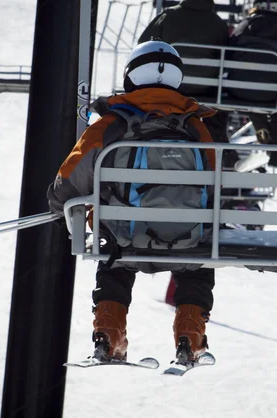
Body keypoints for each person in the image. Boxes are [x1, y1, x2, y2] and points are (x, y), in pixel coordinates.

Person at [47, 41, 216, 364]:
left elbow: (71, 179)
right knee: (197, 269)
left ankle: (110, 336)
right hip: (187, 239)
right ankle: (189, 337)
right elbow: (215, 180)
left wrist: (59, 208)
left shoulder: (112, 125)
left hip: (124, 238)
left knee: (113, 263)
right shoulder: (196, 127)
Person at [138, 0, 232, 147]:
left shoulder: (168, 16)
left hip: (171, 85)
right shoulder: (218, 24)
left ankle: (154, 134)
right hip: (205, 90)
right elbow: (226, 58)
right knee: (219, 100)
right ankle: (218, 144)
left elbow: (143, 45)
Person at [228, 0, 277, 169]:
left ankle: (221, 145)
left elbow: (228, 54)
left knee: (251, 90)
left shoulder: (243, 28)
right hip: (269, 95)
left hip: (237, 91)